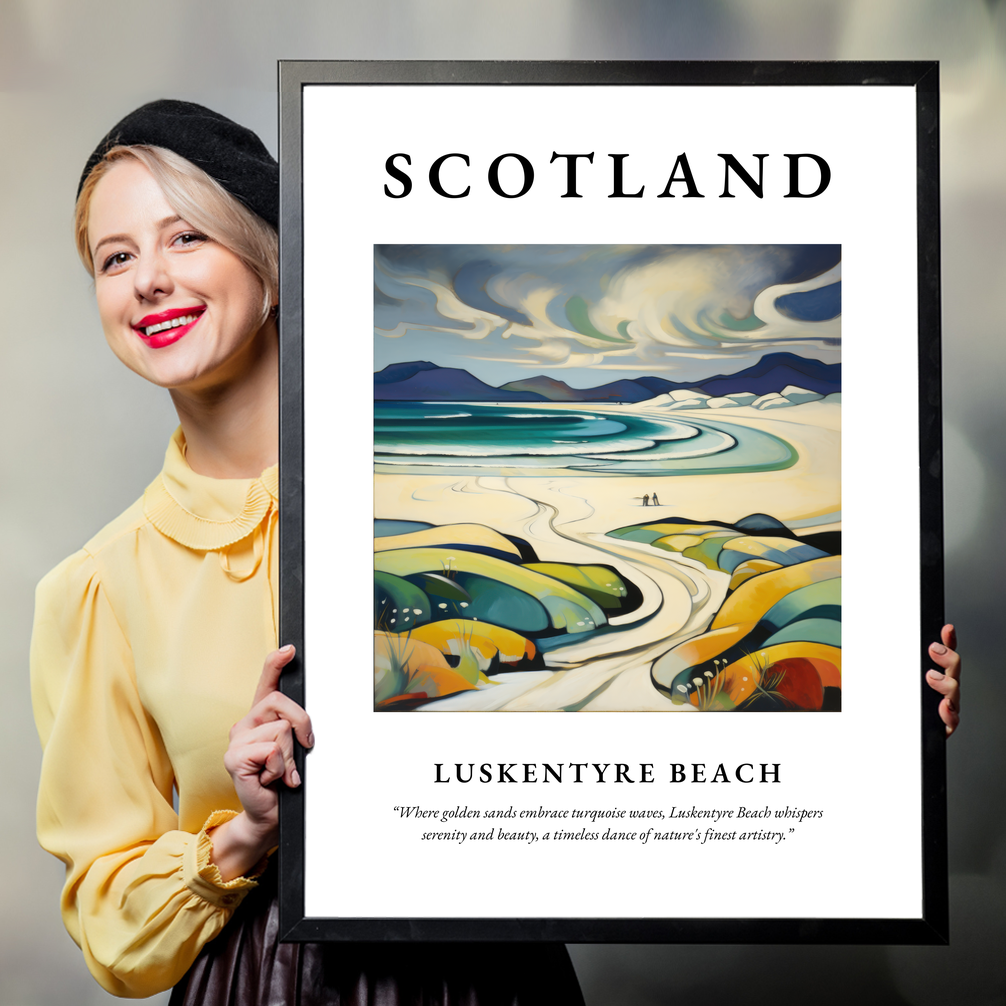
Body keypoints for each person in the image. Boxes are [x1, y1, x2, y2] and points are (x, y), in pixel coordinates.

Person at [30, 100, 585, 1004]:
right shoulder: (98, 587)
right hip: (263, 981)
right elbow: (110, 924)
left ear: (274, 264)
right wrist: (245, 832)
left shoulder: (445, 499)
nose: (148, 281)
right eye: (116, 257)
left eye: (185, 239)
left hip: (493, 973)